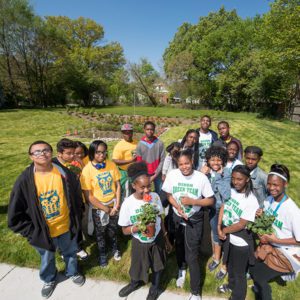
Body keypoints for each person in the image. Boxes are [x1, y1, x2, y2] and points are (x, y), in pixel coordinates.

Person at [8, 141, 85, 299]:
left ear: (52, 153)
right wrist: (31, 232)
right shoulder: (25, 181)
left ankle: (72, 272)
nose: (42, 154)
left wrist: (77, 216)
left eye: (45, 150)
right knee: (47, 258)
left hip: (66, 226)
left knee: (70, 252)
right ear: (31, 156)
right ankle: (49, 279)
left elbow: (76, 196)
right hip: (43, 231)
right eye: (36, 152)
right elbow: (15, 214)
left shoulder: (64, 173)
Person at [162, 149, 214, 300]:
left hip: (194, 219)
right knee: (179, 245)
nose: (184, 167)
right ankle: (181, 269)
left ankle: (195, 292)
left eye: (187, 163)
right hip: (177, 216)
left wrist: (194, 202)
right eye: (181, 164)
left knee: (192, 254)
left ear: (192, 162)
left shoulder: (201, 178)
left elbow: (210, 200)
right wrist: (177, 207)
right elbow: (169, 194)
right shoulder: (172, 175)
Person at [250, 164, 300, 300]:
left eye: (276, 185)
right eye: (269, 184)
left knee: (259, 278)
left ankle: (289, 272)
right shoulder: (269, 200)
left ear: (286, 184)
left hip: (287, 253)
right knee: (251, 267)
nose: (272, 188)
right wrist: (260, 214)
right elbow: (268, 220)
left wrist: (274, 240)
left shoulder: (293, 211)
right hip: (270, 246)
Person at [118, 162, 167, 300]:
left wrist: (165, 236)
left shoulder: (155, 197)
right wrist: (138, 227)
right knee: (137, 265)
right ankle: (134, 282)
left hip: (156, 238)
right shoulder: (128, 203)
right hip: (139, 241)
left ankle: (155, 288)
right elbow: (124, 230)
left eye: (148, 186)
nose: (147, 190)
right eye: (142, 187)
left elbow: (159, 217)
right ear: (134, 186)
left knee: (158, 265)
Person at [217, 165, 259, 300]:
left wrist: (224, 230)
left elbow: (241, 224)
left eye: (239, 179)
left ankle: (237, 296)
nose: (235, 182)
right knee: (230, 266)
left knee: (239, 272)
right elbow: (223, 206)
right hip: (229, 237)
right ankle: (231, 285)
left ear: (247, 179)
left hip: (241, 242)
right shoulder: (232, 190)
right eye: (233, 178)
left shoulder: (251, 200)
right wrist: (219, 226)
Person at [80, 140, 121, 267]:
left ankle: (115, 248)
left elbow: (118, 185)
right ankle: (102, 254)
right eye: (98, 152)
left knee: (113, 230)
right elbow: (89, 196)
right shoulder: (87, 170)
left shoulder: (111, 165)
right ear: (92, 153)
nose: (101, 155)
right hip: (99, 207)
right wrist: (105, 209)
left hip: (113, 204)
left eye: (103, 152)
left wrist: (117, 204)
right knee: (100, 232)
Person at [53, 138, 88, 260]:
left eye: (73, 152)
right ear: (59, 153)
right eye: (69, 153)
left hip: (76, 200)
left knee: (77, 224)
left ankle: (78, 247)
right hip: (62, 203)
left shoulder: (74, 163)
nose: (73, 155)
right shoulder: (53, 166)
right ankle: (64, 249)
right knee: (65, 227)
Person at [201, 146, 231, 280]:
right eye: (212, 160)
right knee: (215, 233)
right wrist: (202, 174)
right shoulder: (206, 172)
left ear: (223, 160)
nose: (215, 163)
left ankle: (225, 265)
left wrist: (218, 176)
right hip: (212, 209)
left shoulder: (227, 173)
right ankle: (216, 258)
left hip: (224, 210)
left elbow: (227, 195)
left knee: (227, 237)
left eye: (218, 160)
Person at [136, 121, 165, 194]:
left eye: (151, 129)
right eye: (147, 129)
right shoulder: (140, 144)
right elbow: (139, 161)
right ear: (144, 130)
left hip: (157, 173)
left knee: (160, 192)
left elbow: (162, 160)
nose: (149, 131)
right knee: (145, 193)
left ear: (154, 130)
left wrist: (156, 174)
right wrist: (143, 175)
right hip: (145, 174)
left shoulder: (159, 143)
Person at [112, 123, 138, 199]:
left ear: (132, 132)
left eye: (129, 132)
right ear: (122, 134)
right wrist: (131, 160)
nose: (127, 134)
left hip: (135, 172)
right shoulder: (119, 145)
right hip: (124, 172)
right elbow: (115, 160)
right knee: (124, 192)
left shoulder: (137, 143)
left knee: (135, 191)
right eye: (125, 133)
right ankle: (122, 207)